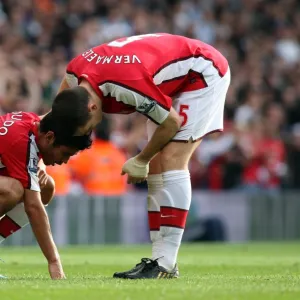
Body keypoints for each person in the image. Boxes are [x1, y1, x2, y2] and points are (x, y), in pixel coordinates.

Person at [51, 33, 231, 279]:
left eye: (87, 126)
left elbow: (171, 122)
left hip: (201, 71)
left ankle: (166, 264)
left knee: (170, 160)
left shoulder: (124, 86)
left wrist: (140, 159)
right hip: (168, 75)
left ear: (92, 107)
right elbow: (53, 115)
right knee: (158, 166)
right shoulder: (73, 77)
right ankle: (159, 260)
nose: (91, 130)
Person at [0, 111, 92, 279]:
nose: (64, 161)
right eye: (65, 154)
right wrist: (54, 261)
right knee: (13, 189)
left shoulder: (35, 124)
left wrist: (39, 165)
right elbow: (33, 207)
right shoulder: (20, 141)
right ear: (49, 138)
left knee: (46, 187)